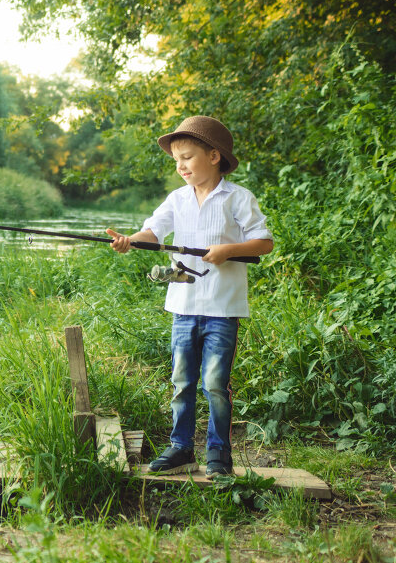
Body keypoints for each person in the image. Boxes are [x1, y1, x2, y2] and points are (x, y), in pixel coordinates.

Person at [107, 115, 273, 478]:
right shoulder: (177, 199)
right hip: (183, 309)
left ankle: (218, 453)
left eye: (187, 157)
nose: (180, 166)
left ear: (214, 157)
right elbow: (153, 231)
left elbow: (264, 243)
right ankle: (182, 448)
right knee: (182, 382)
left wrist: (228, 250)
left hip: (223, 309)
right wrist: (129, 241)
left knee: (215, 384)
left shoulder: (238, 198)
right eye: (176, 160)